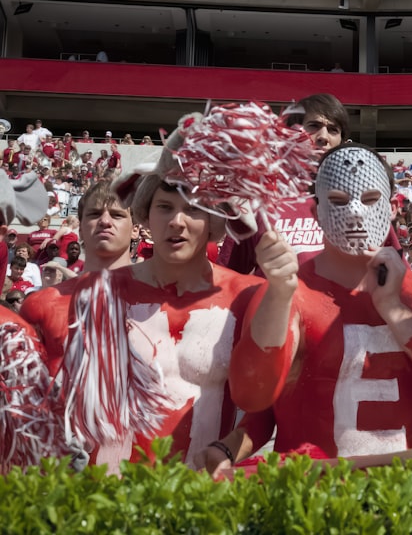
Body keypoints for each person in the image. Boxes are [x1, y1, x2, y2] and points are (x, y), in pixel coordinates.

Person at [21, 118, 301, 470]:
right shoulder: (72, 300)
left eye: (193, 210)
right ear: (146, 215)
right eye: (165, 207)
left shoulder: (248, 298)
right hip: (103, 499)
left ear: (214, 222)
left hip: (201, 500)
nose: (177, 221)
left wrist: (227, 451)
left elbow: (265, 407)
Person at [197, 143, 412, 475]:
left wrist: (394, 311)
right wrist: (279, 295)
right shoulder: (288, 293)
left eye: (368, 200)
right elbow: (255, 397)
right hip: (313, 494)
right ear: (316, 210)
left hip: (402, 495)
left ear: (392, 207)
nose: (353, 212)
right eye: (337, 201)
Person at [217, 93, 350, 274]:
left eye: (333, 130)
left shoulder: (361, 201)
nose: (323, 137)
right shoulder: (258, 200)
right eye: (314, 126)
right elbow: (228, 278)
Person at [77, 180, 134, 272]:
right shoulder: (55, 287)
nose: (105, 221)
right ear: (80, 229)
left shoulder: (157, 286)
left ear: (134, 229)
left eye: (117, 215)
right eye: (95, 214)